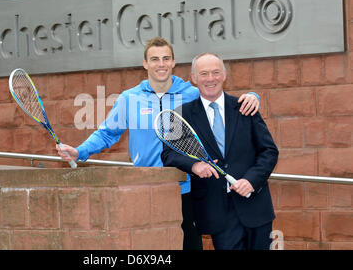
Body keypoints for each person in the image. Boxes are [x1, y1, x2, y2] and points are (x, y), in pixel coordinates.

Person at [57, 37, 261, 250]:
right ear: (145, 63)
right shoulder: (130, 98)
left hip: (187, 188)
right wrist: (79, 151)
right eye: (154, 59)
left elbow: (221, 99)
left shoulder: (192, 93)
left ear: (173, 62)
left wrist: (253, 96)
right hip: (146, 187)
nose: (161, 64)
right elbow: (107, 133)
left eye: (166, 58)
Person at [161, 52, 279, 250]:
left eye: (216, 72)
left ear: (224, 75)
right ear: (194, 78)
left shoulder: (245, 107)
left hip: (256, 207)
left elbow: (268, 151)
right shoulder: (181, 114)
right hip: (217, 213)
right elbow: (168, 154)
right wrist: (194, 165)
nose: (210, 79)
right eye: (204, 73)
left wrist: (251, 181)